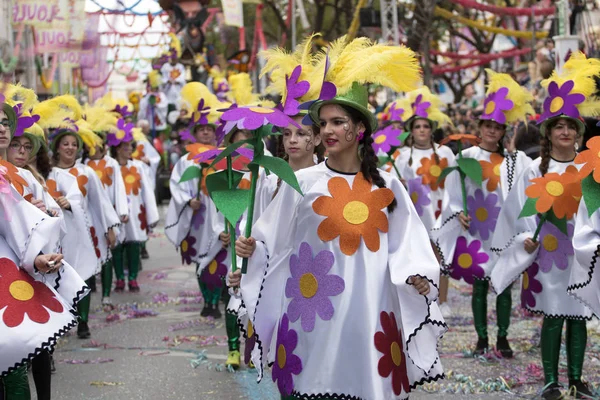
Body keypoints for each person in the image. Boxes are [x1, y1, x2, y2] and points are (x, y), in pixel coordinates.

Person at [231, 36, 445, 399]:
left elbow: (408, 244)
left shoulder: (387, 186)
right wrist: (248, 251)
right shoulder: (300, 183)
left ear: (359, 129)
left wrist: (418, 274)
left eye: (337, 122)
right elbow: (271, 241)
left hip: (368, 314)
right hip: (311, 313)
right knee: (311, 385)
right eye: (324, 123)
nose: (328, 131)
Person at [490, 54, 597, 399]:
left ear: (579, 133)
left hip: (580, 256)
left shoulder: (589, 169)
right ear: (549, 133)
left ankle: (577, 380)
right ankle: (551, 381)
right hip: (547, 254)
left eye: (571, 126)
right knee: (553, 315)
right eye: (559, 126)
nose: (565, 132)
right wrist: (525, 238)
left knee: (578, 316)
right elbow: (517, 212)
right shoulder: (535, 170)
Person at [431, 70, 533, 358]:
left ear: (503, 132)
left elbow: (519, 195)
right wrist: (458, 213)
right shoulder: (466, 159)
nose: (491, 131)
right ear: (480, 127)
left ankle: (502, 337)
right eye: (487, 126)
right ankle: (481, 338)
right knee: (479, 284)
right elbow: (453, 195)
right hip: (476, 230)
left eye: (497, 127)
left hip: (502, 230)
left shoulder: (513, 162)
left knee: (503, 284)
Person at [41, 101, 120, 339]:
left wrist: (110, 228)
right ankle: (64, 318)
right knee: (57, 278)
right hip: (55, 237)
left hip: (83, 234)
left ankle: (83, 321)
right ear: (56, 147)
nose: (70, 148)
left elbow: (100, 202)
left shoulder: (87, 173)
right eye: (65, 143)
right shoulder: (46, 173)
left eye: (74, 144)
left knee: (83, 274)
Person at [393, 87, 455, 318]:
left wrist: (451, 212)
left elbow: (454, 184)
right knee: (418, 256)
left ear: (432, 129)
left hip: (439, 211)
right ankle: (420, 299)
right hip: (414, 213)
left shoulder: (446, 153)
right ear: (411, 130)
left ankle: (443, 299)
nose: (421, 130)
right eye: (417, 126)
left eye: (426, 126)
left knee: (441, 256)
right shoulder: (400, 155)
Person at [81, 105, 129, 307]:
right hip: (86, 217)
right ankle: (89, 285)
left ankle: (106, 295)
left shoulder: (112, 164)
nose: (95, 148)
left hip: (107, 216)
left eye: (98, 144)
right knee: (89, 251)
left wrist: (121, 211)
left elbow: (119, 187)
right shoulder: (82, 165)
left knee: (107, 252)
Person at [107, 118, 159, 293]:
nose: (128, 149)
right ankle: (120, 279)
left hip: (136, 212)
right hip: (115, 212)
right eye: (124, 146)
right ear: (117, 148)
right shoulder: (110, 167)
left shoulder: (138, 166)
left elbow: (148, 192)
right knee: (117, 246)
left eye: (130, 146)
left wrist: (151, 215)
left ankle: (133, 278)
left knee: (134, 245)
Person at [160, 34, 186, 114]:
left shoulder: (180, 66)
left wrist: (176, 81)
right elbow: (162, 79)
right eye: (172, 58)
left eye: (175, 58)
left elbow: (182, 78)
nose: (174, 60)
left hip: (178, 93)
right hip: (168, 93)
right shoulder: (165, 67)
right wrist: (168, 81)